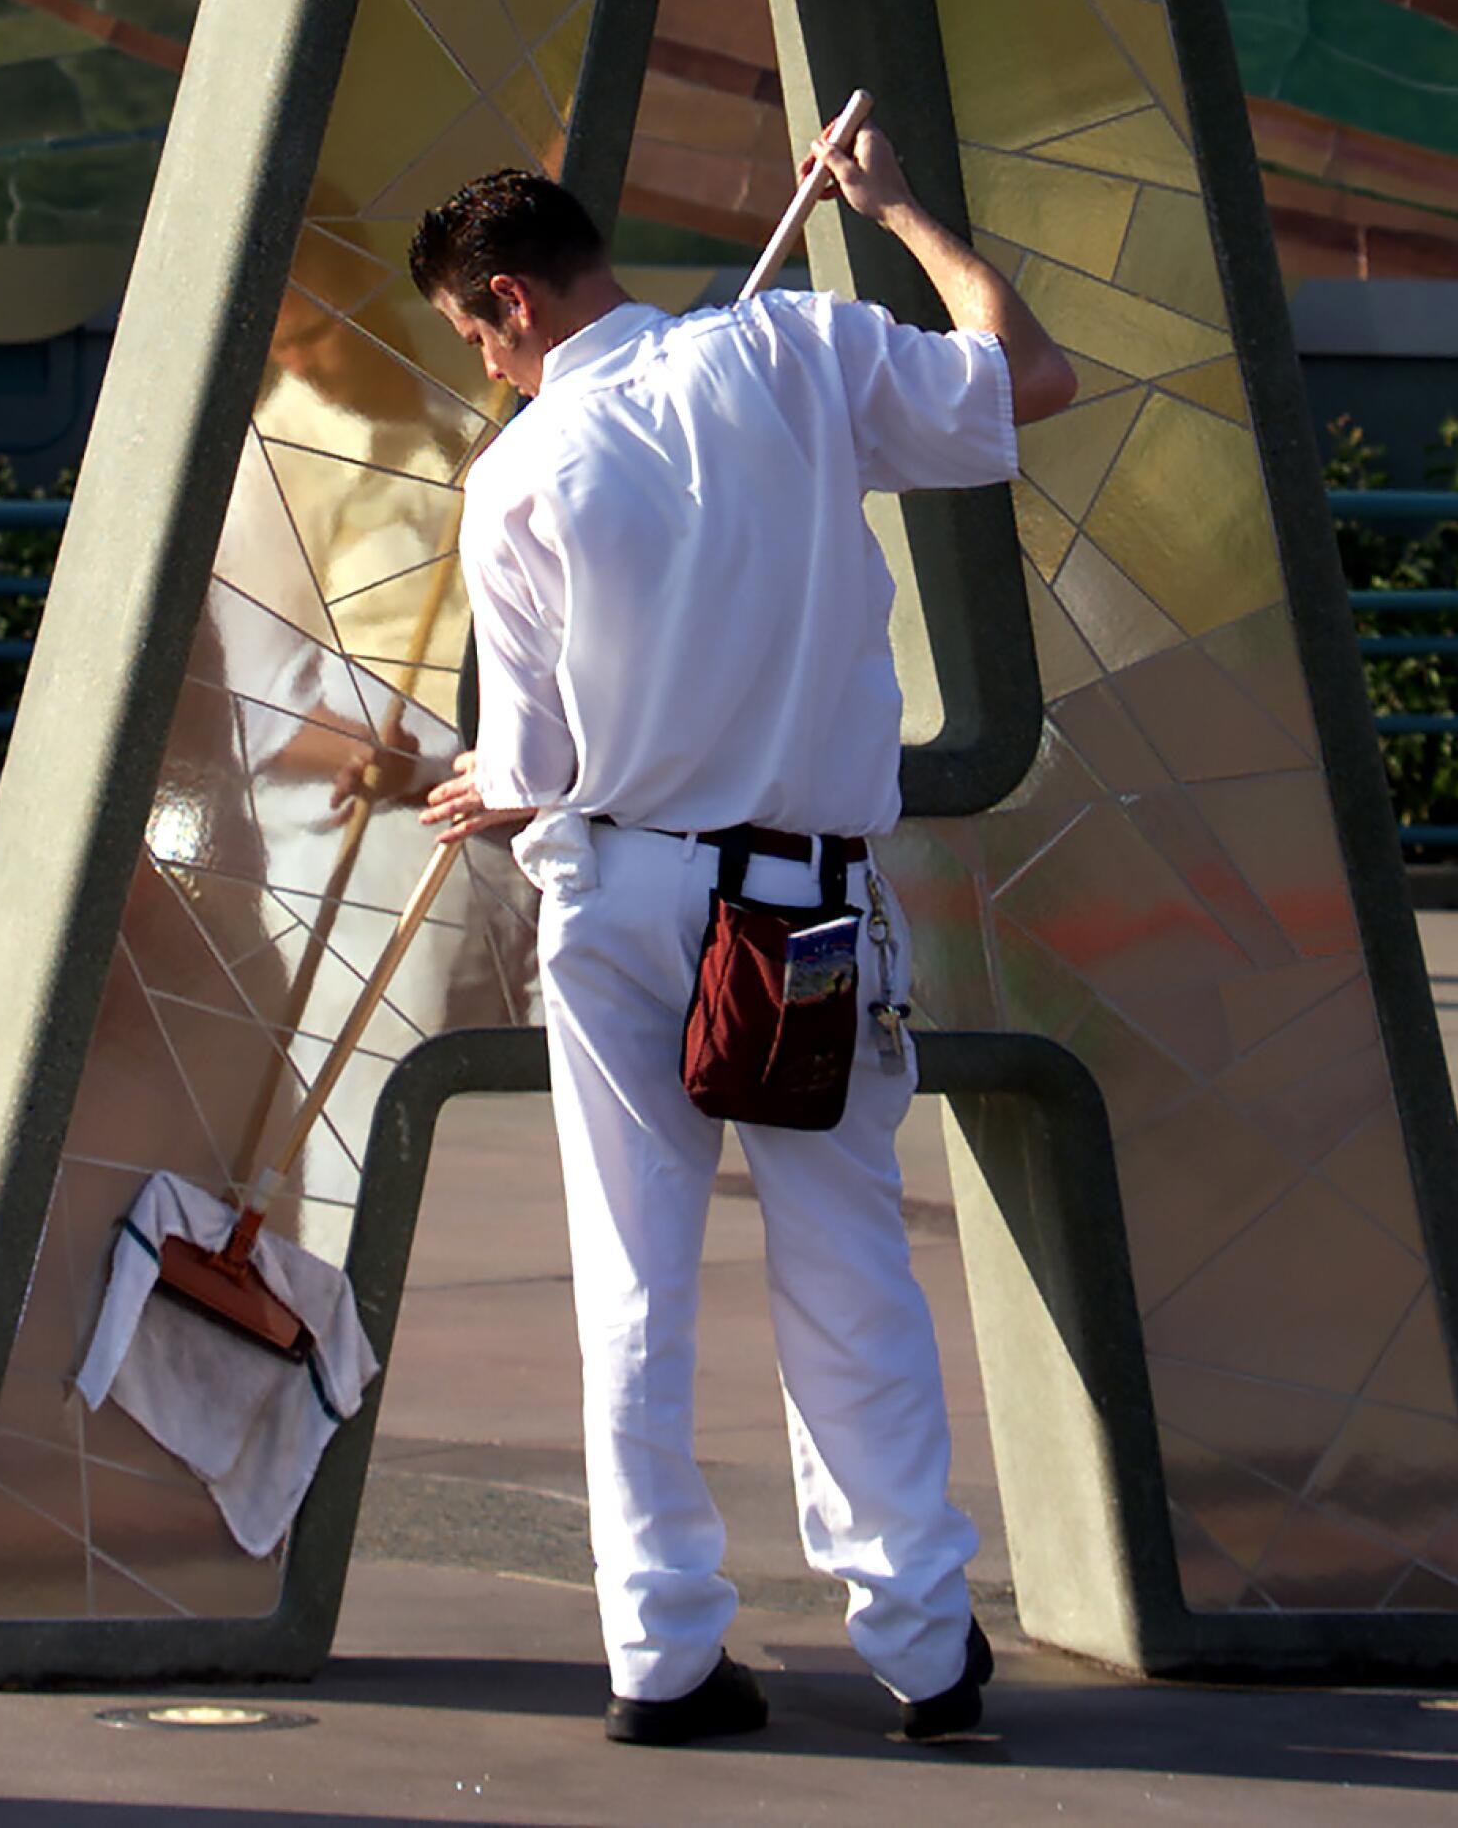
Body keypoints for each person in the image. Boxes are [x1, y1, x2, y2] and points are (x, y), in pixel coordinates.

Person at [406, 128, 1077, 1747]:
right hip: (797, 904)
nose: (488, 372)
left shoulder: (517, 473)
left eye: (476, 339)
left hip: (617, 899)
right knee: (845, 1255)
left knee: (632, 1279)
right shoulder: (801, 346)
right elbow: (1029, 373)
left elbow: (543, 764)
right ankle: (921, 1640)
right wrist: (895, 203)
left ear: (509, 301)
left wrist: (496, 791)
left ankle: (662, 1653)